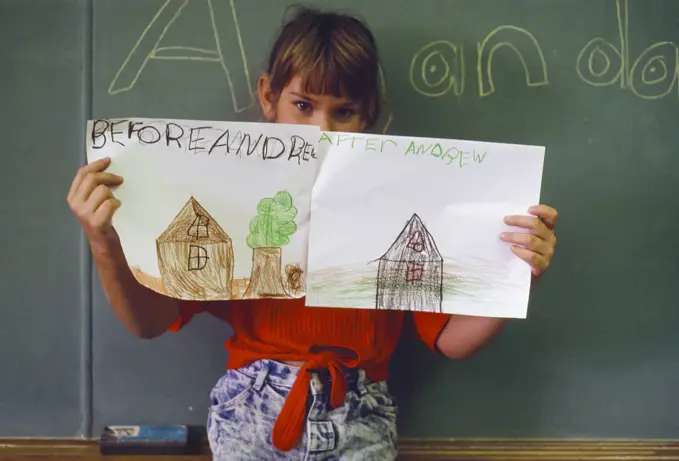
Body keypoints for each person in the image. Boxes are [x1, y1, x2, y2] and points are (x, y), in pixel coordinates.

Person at [67, 6, 558, 461]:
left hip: (359, 410)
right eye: (303, 105)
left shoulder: (401, 204)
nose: (321, 130)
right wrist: (104, 242)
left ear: (367, 114)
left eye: (342, 112)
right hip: (252, 406)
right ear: (268, 97)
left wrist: (514, 276)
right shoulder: (225, 194)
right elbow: (151, 321)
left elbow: (451, 340)